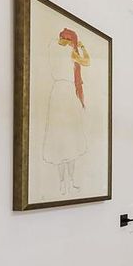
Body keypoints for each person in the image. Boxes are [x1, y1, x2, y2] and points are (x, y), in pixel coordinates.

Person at [42, 27, 90, 195]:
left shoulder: (51, 46)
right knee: (70, 140)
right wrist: (81, 46)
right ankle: (67, 182)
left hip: (58, 93)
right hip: (67, 94)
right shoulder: (71, 53)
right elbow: (87, 61)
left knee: (62, 140)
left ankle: (65, 183)